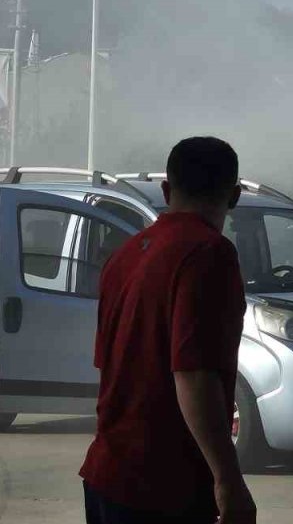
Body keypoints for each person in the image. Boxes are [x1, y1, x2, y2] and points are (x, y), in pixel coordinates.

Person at [80, 137, 256, 524]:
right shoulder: (210, 254)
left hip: (106, 476)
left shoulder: (124, 257)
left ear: (165, 189)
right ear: (235, 196)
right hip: (166, 488)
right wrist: (228, 480)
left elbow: (108, 366)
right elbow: (194, 373)